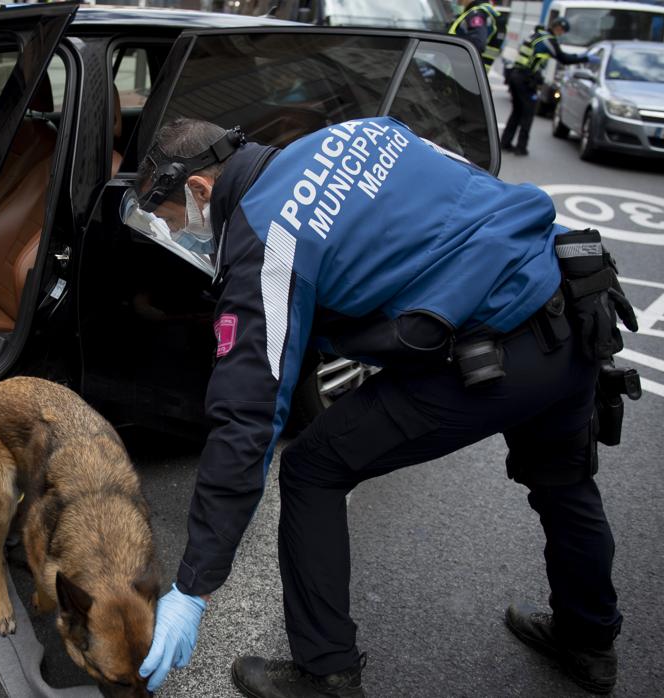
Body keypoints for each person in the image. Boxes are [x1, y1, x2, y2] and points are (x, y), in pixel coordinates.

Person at [124, 116, 637, 696]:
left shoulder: (271, 233)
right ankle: (589, 641)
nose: (184, 235)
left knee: (312, 468)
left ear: (199, 191)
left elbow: (247, 414)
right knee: (564, 484)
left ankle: (327, 673)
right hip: (572, 301)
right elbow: (464, 190)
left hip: (494, 351)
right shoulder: (359, 130)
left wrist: (194, 586)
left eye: (171, 223)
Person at [501, 17, 587, 156]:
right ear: (558, 27)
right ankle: (521, 147)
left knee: (517, 111)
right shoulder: (548, 40)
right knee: (528, 112)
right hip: (526, 79)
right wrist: (584, 58)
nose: (561, 34)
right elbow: (563, 58)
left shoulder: (537, 35)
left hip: (516, 75)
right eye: (562, 31)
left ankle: (505, 143)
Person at [447, 0, 503, 74]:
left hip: (463, 74)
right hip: (472, 75)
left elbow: (477, 43)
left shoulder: (477, 14)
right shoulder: (483, 11)